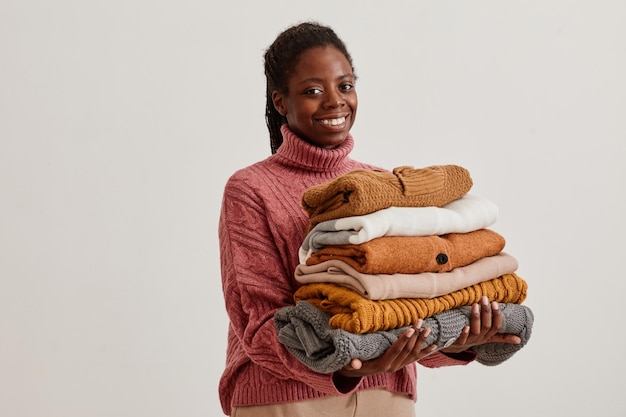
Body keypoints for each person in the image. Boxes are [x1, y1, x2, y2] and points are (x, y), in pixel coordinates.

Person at [218, 21, 521, 417]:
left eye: (345, 86)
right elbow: (257, 328)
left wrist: (458, 339)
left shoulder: (382, 186)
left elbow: (414, 304)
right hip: (284, 400)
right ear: (279, 101)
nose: (334, 101)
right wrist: (343, 365)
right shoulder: (250, 188)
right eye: (313, 90)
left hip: (388, 396)